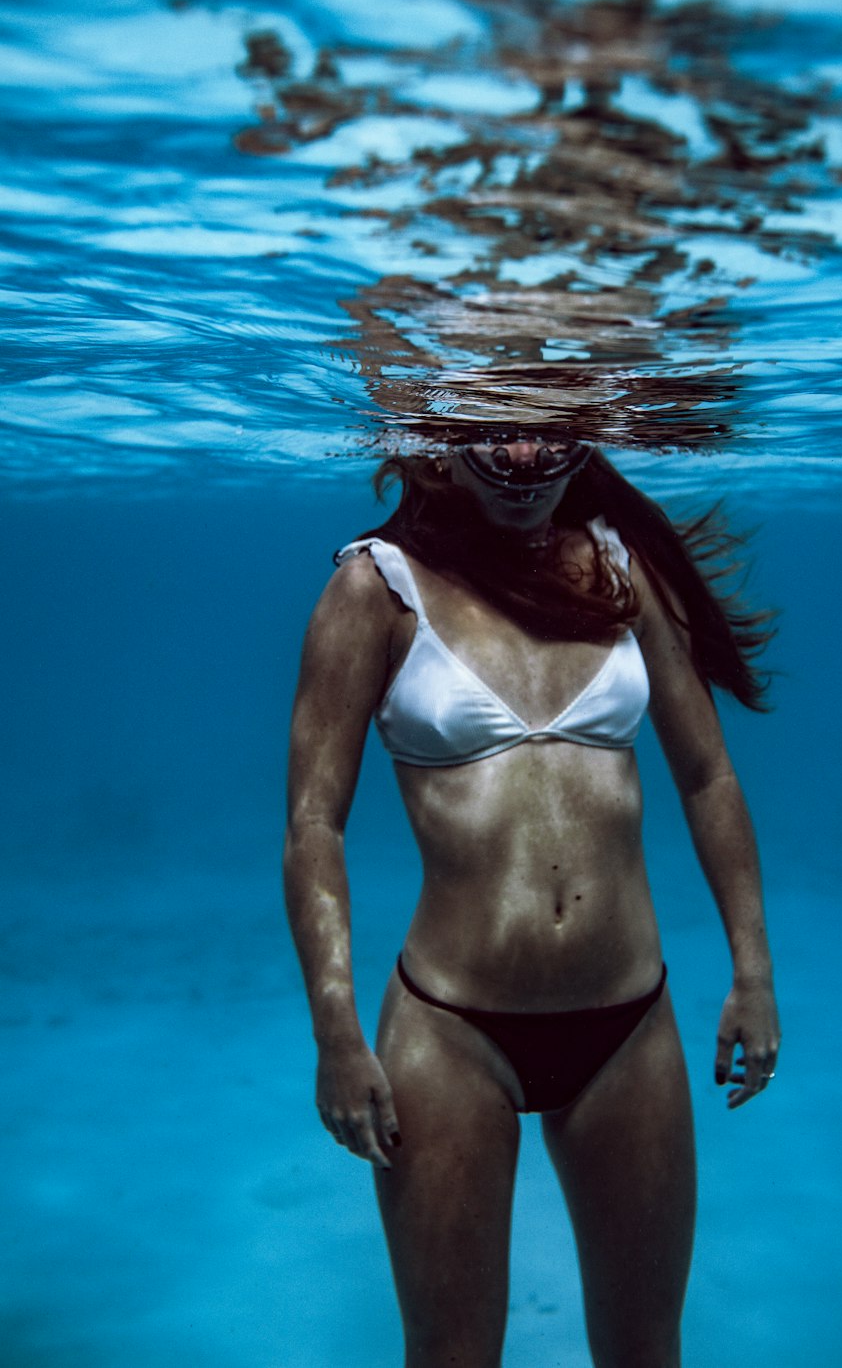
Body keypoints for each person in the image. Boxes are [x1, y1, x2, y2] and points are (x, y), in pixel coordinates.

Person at [283, 438, 780, 1368]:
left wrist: (753, 971)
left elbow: (708, 775)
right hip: (449, 1031)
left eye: (545, 436)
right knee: (451, 1354)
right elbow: (315, 825)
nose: (522, 454)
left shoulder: (626, 569)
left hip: (630, 1026)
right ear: (439, 448)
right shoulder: (375, 589)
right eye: (494, 437)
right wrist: (336, 1035)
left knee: (646, 1351)